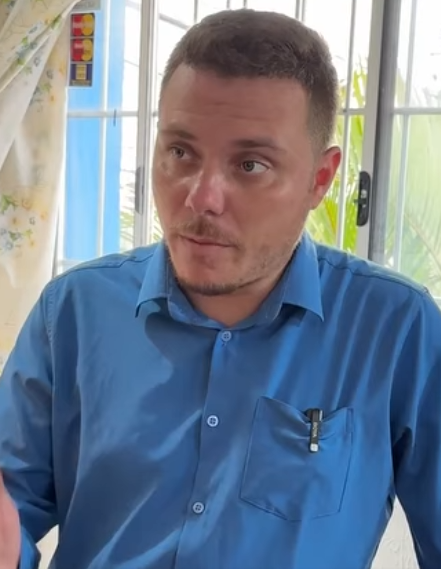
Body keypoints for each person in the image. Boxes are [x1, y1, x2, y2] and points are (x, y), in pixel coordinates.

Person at [0, 8, 440, 569]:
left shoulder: (395, 329)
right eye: (180, 153)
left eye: (250, 165)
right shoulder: (72, 314)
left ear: (320, 179)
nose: (201, 197)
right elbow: (12, 513)